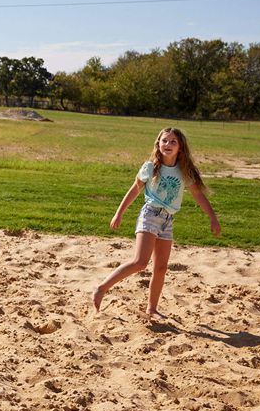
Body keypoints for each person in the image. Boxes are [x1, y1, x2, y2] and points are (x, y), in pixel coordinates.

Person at [92, 127, 221, 317]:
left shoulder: (184, 171)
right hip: (150, 215)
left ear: (180, 148)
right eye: (164, 141)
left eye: (173, 142)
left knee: (160, 268)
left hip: (168, 220)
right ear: (158, 144)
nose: (168, 144)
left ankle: (152, 309)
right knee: (140, 262)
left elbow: (198, 195)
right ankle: (102, 288)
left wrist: (213, 217)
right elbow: (134, 190)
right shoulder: (150, 167)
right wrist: (119, 213)